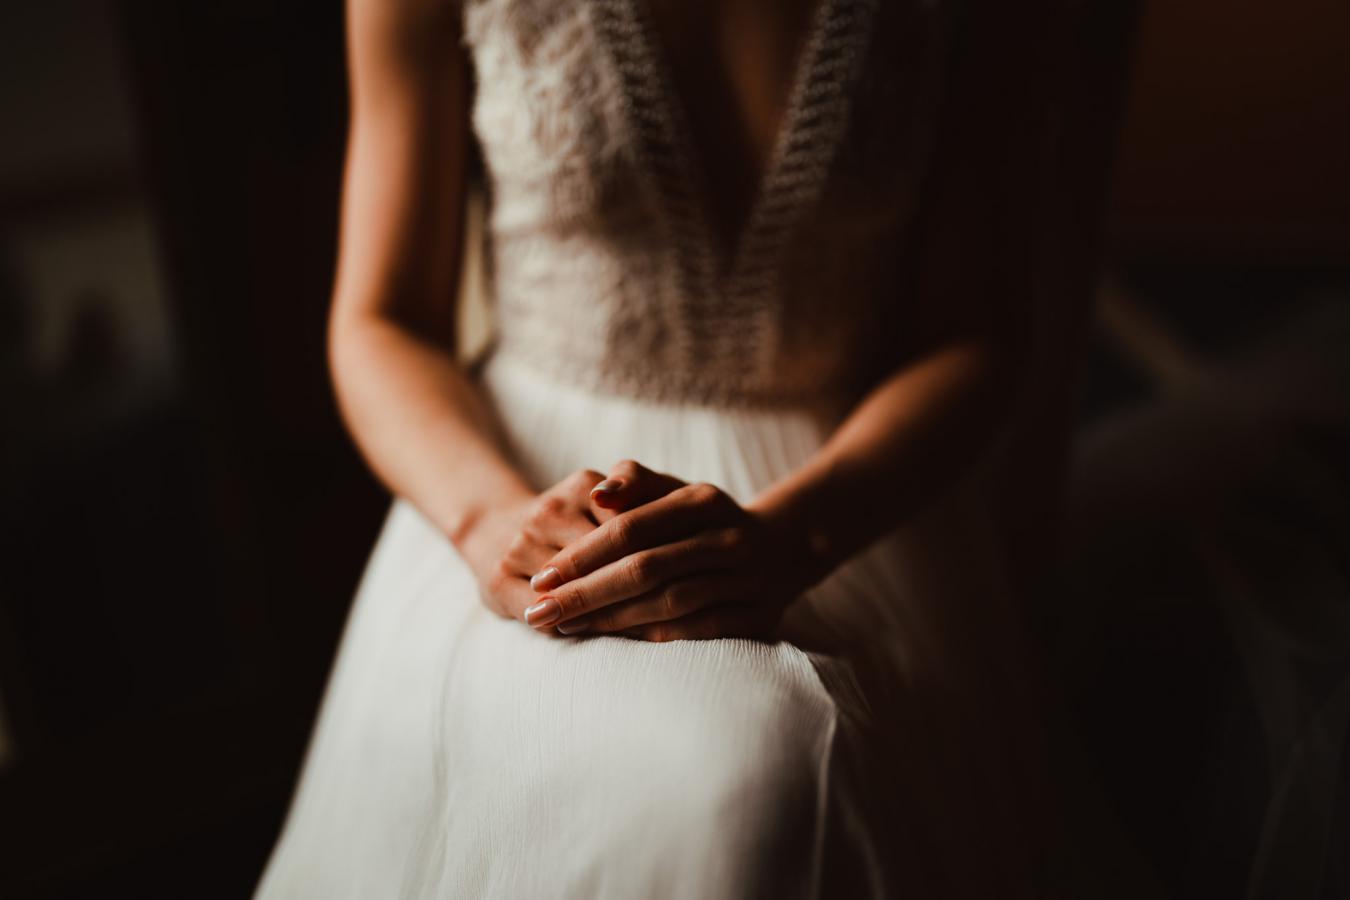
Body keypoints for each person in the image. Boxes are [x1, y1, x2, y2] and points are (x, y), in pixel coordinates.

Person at [255, 0, 1087, 896]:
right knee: (721, 786)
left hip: (851, 501)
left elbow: (971, 333)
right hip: (518, 492)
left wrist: (794, 538)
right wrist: (489, 520)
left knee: (774, 793)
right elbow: (381, 320)